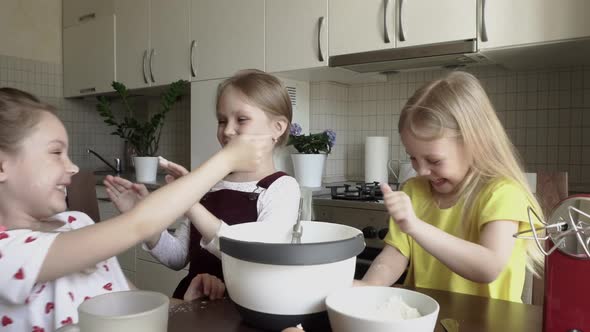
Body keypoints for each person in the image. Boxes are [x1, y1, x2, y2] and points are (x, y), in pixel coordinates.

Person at [0, 87, 272, 331]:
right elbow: (138, 225)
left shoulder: (76, 221)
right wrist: (226, 160)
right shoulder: (7, 253)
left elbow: (122, 298)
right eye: (56, 152)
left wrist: (180, 304)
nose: (72, 166)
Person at [104, 69, 301, 301]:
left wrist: (190, 203)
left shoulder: (282, 188)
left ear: (277, 128)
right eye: (221, 120)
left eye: (242, 119)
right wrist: (146, 221)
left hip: (243, 311)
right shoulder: (208, 186)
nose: (227, 130)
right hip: (193, 303)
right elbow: (178, 257)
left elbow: (255, 260)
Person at [356, 71, 543, 303]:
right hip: (428, 317)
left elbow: (489, 266)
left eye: (434, 161)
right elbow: (395, 254)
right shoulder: (415, 190)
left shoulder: (504, 194)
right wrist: (368, 286)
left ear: (475, 143)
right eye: (413, 157)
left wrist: (416, 226)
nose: (421, 170)